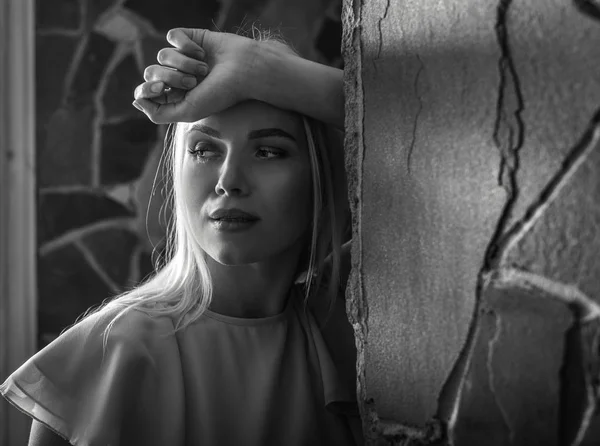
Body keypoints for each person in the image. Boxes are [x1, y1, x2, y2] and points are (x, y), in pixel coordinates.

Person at [0, 28, 361, 446]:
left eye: (268, 152)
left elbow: (432, 133)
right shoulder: (113, 354)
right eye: (205, 150)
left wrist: (260, 70)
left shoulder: (349, 322)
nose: (229, 181)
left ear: (322, 176)